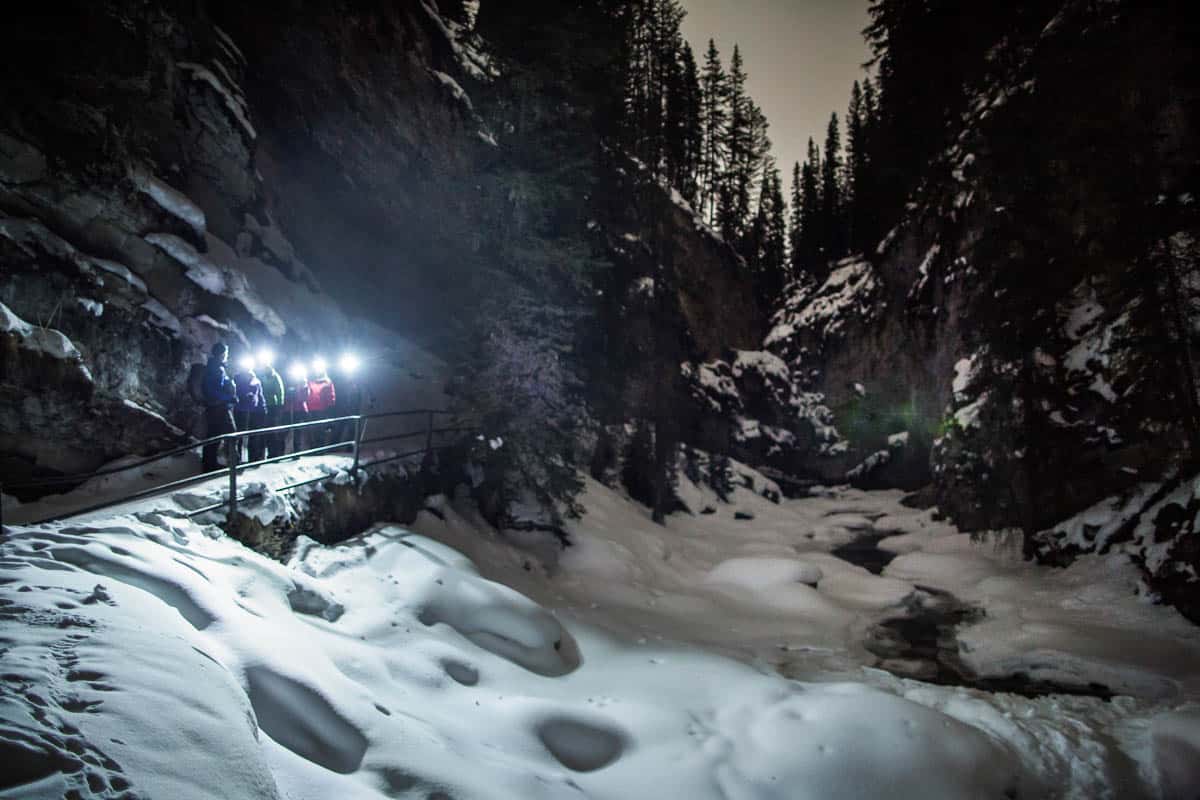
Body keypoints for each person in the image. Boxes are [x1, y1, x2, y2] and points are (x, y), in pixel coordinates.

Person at [200, 342, 238, 472]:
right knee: (226, 433)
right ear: (221, 353)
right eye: (226, 353)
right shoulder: (215, 368)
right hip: (218, 407)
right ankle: (227, 464)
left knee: (216, 434)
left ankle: (210, 464)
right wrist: (228, 398)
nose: (227, 355)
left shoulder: (217, 367)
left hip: (218, 406)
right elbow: (211, 389)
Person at [233, 361, 266, 462]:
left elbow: (260, 395)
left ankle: (253, 458)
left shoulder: (255, 380)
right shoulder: (237, 379)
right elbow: (233, 391)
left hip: (253, 411)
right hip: (240, 409)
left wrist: (263, 407)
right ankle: (236, 459)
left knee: (253, 435)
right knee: (239, 435)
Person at [259, 358, 286, 458]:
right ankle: (261, 454)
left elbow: (279, 392)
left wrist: (279, 406)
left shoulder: (275, 377)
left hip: (273, 407)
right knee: (262, 431)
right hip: (263, 406)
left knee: (272, 431)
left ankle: (273, 454)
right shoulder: (262, 376)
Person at [306, 365, 336, 447]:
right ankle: (313, 446)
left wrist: (330, 407)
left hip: (322, 408)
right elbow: (308, 394)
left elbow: (331, 395)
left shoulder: (327, 382)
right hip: (311, 408)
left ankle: (320, 447)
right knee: (312, 428)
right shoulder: (310, 382)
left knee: (320, 428)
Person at [283, 362, 311, 453]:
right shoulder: (290, 384)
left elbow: (304, 398)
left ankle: (297, 451)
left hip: (300, 410)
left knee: (298, 431)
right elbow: (285, 396)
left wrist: (296, 393)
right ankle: (286, 450)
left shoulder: (304, 385)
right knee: (287, 431)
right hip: (289, 409)